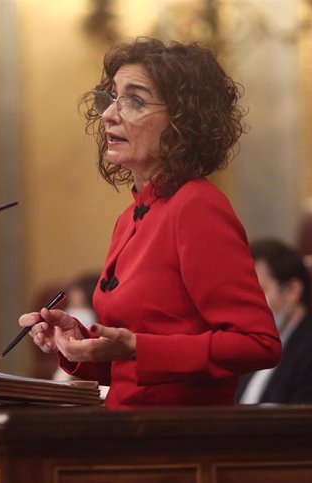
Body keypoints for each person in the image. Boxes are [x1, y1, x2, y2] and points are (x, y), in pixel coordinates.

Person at [19, 37, 281, 410]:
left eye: (134, 101)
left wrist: (139, 346)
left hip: (176, 442)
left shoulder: (197, 206)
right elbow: (139, 364)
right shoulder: (131, 217)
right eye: (111, 98)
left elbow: (258, 343)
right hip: (129, 431)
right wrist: (82, 344)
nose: (109, 115)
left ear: (181, 122)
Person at [235, 238, 312, 404]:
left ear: (292, 290)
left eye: (259, 291)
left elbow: (305, 423)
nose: (249, 305)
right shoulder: (255, 347)